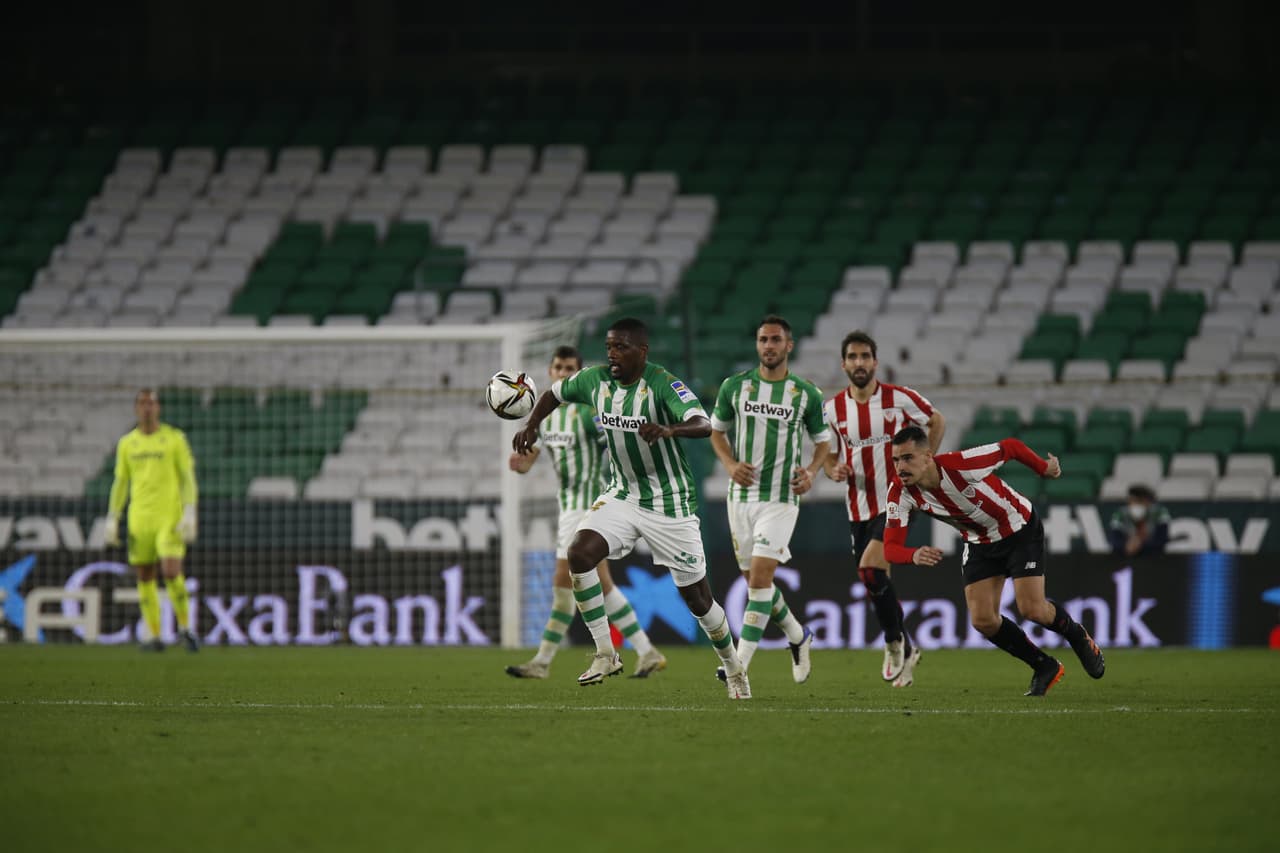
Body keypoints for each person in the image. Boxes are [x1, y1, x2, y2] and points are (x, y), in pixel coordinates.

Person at [513, 318, 751, 699]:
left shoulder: (662, 383)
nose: (612, 354)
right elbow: (554, 394)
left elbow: (702, 423)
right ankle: (606, 652)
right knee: (579, 553)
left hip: (669, 503)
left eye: (621, 347)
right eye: (609, 346)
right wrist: (532, 424)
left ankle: (733, 666)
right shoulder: (595, 381)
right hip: (622, 495)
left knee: (698, 601)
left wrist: (669, 429)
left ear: (642, 351)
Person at [883, 426, 1106, 696]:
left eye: (907, 458)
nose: (900, 467)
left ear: (928, 456)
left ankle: (1076, 635)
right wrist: (913, 554)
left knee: (1032, 609)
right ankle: (1044, 665)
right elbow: (891, 549)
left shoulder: (961, 465)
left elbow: (1010, 446)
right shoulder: (899, 492)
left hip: (1018, 529)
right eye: (896, 460)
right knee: (983, 620)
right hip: (979, 543)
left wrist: (1042, 468)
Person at [506, 345, 666, 680]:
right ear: (550, 372)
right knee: (600, 585)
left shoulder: (587, 413)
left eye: (569, 369)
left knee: (565, 584)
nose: (563, 374)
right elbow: (531, 459)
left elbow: (617, 433)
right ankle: (646, 651)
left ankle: (544, 661)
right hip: (568, 508)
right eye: (558, 368)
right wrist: (521, 464)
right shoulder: (547, 418)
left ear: (577, 373)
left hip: (591, 504)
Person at [709, 315, 831, 684]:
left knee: (761, 578)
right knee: (755, 586)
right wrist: (729, 464)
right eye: (763, 339)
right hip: (740, 499)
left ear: (788, 345)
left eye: (776, 340)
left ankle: (739, 664)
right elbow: (716, 432)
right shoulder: (735, 387)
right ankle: (798, 635)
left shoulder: (805, 393)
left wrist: (811, 471)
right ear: (757, 344)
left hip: (780, 499)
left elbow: (823, 441)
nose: (769, 346)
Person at [821, 330, 944, 687]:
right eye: (853, 357)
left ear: (875, 362)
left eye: (865, 356)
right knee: (873, 576)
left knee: (870, 568)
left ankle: (896, 643)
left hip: (897, 499)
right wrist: (834, 469)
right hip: (858, 505)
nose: (859, 363)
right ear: (844, 364)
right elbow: (827, 455)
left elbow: (937, 420)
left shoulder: (899, 399)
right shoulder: (832, 410)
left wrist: (924, 464)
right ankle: (899, 641)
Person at [105, 389, 200, 652]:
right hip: (139, 519)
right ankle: (155, 636)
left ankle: (186, 629)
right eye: (143, 403)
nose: (147, 408)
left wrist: (190, 511)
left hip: (170, 517)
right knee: (145, 575)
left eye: (152, 403)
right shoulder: (127, 443)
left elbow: (187, 477)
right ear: (136, 408)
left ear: (158, 408)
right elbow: (121, 482)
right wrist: (113, 517)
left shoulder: (174, 439)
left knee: (171, 571)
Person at [1108, 484, 1170, 557]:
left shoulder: (1159, 513)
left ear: (1148, 502)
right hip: (1125, 557)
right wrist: (1126, 545)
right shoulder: (1120, 514)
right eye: (1132, 501)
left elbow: (1161, 540)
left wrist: (1140, 545)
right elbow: (1114, 540)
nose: (1136, 504)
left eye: (1140, 501)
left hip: (1152, 559)